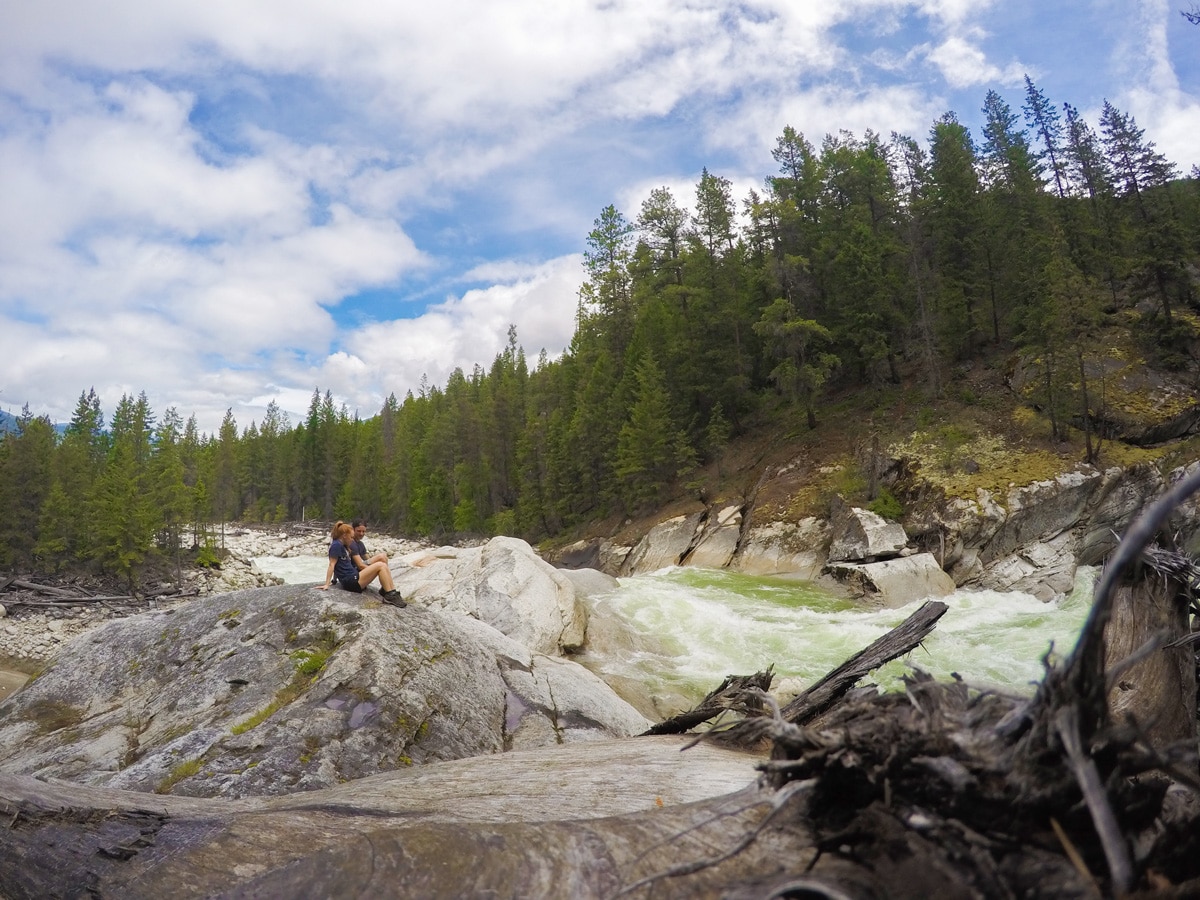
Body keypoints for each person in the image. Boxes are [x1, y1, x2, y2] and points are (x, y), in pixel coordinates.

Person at [318, 521, 406, 607]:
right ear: (344, 536)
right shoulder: (336, 546)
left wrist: (334, 580)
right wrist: (327, 583)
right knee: (381, 565)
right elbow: (332, 564)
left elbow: (340, 565)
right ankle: (390, 594)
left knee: (382, 564)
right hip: (350, 582)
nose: (352, 540)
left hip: (353, 577)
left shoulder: (342, 545)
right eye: (351, 537)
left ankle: (391, 591)